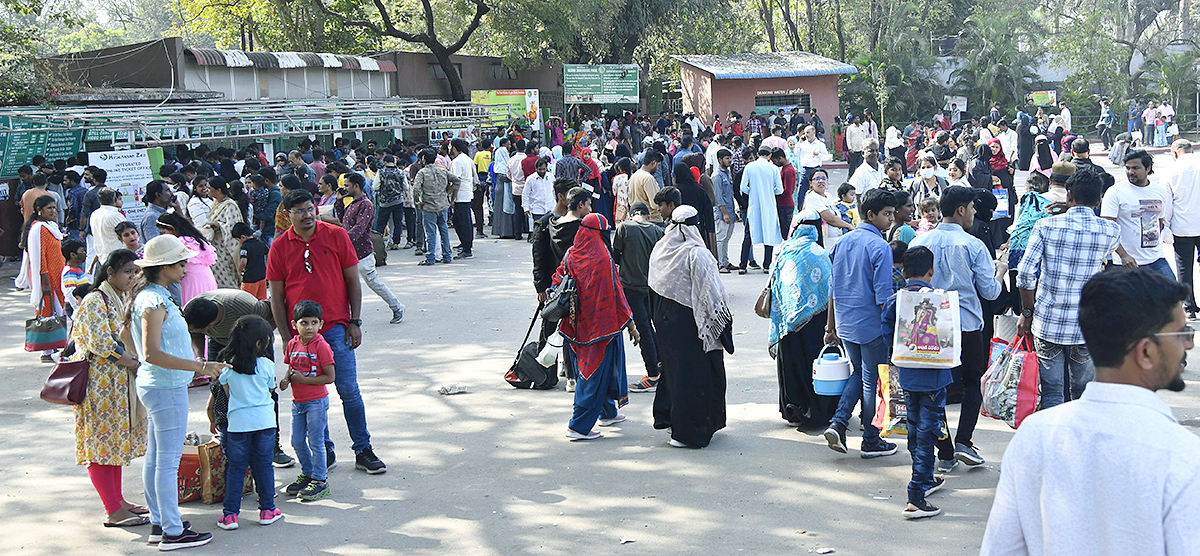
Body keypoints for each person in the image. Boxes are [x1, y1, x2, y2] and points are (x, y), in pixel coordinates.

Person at [980, 268, 1200, 555]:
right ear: (1145, 352)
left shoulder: (1036, 436)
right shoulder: (1181, 455)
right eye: (1182, 333)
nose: (1190, 343)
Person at [268, 188, 387, 474]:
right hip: (300, 338)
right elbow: (276, 295)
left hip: (336, 328)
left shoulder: (336, 235)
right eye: (299, 211)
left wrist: (354, 321)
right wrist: (287, 337)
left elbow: (352, 281)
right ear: (287, 214)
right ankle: (325, 450)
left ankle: (363, 449)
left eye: (310, 209)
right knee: (311, 397)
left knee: (348, 390)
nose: (307, 215)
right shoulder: (279, 247)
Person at [128, 235, 227, 549]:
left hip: (158, 384)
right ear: (164, 266)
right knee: (166, 462)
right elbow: (151, 352)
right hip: (164, 387)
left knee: (158, 458)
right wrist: (199, 367)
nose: (186, 267)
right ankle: (171, 530)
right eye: (181, 263)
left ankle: (161, 523)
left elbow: (127, 337)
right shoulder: (153, 300)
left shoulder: (148, 295)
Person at [910, 186, 1003, 469]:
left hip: (930, 324)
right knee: (973, 382)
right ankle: (964, 440)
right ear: (961, 210)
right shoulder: (974, 245)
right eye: (973, 207)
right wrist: (1000, 270)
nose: (975, 213)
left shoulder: (920, 243)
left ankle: (945, 451)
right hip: (968, 324)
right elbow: (990, 292)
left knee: (934, 388)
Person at [1016, 169, 1120, 409]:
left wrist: (1027, 312)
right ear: (1098, 200)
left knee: (1052, 393)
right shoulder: (1110, 231)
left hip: (1048, 323)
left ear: (1068, 195)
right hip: (1086, 325)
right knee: (1082, 394)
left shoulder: (1045, 226)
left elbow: (1025, 275)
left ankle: (1055, 443)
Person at [70, 249, 148, 528]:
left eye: (135, 271)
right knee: (101, 446)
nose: (132, 276)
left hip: (117, 385)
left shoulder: (119, 299)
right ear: (110, 272)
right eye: (127, 271)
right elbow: (101, 343)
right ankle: (111, 509)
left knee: (114, 443)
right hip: (99, 386)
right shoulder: (95, 300)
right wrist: (133, 362)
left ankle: (119, 500)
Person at [821, 188, 898, 457]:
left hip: (846, 322)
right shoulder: (880, 247)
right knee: (872, 380)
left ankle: (839, 423)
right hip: (872, 324)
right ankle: (870, 438)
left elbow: (832, 289)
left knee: (860, 374)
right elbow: (883, 297)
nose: (891, 219)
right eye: (887, 214)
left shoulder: (842, 242)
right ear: (871, 214)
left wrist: (830, 327)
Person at [648, 205, 732, 448]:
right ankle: (690, 433)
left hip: (665, 323)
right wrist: (723, 326)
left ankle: (673, 422)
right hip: (692, 325)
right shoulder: (698, 254)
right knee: (696, 377)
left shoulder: (660, 250)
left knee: (674, 374)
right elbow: (713, 295)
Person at [182, 288, 294, 467]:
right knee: (219, 389)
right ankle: (230, 441)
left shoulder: (245, 306)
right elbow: (196, 334)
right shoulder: (193, 310)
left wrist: (257, 339)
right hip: (219, 343)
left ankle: (271, 447)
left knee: (265, 392)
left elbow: (274, 306)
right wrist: (200, 359)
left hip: (253, 343)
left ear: (210, 326)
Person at [555, 213, 639, 440]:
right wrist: (631, 324)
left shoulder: (571, 253)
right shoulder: (603, 257)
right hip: (602, 327)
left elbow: (557, 280)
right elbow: (616, 293)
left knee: (595, 370)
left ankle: (608, 412)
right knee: (593, 375)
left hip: (575, 326)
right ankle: (578, 426)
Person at [882, 246, 951, 519]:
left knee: (913, 428)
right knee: (927, 433)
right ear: (931, 271)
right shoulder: (940, 300)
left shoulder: (894, 300)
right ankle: (916, 496)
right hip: (935, 377)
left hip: (907, 375)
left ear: (903, 271)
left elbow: (886, 334)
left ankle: (924, 479)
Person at [212, 315, 282, 531]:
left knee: (235, 468)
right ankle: (268, 510)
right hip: (265, 423)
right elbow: (271, 390)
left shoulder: (227, 368)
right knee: (264, 466)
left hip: (238, 425)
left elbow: (226, 392)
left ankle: (230, 515)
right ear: (260, 343)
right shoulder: (267, 365)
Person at [768, 215, 835, 427]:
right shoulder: (820, 253)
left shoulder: (781, 250)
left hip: (787, 321)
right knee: (813, 364)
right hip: (815, 322)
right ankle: (817, 410)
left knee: (792, 364)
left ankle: (793, 410)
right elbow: (830, 289)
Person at [278, 300, 335, 501]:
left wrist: (305, 380)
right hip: (297, 402)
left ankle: (320, 481)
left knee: (316, 442)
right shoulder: (292, 344)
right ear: (294, 325)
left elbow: (330, 376)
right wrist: (286, 380)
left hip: (316, 402)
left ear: (321, 324)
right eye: (304, 322)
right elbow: (290, 368)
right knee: (296, 441)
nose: (309, 327)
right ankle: (308, 473)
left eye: (313, 322)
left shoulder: (322, 346)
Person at [335, 172, 405, 323]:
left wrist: (342, 241)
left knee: (374, 283)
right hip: (349, 252)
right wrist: (339, 201)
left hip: (362, 253)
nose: (344, 188)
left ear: (356, 186)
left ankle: (397, 306)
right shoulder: (353, 203)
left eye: (347, 185)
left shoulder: (365, 204)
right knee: (341, 285)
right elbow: (343, 221)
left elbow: (359, 229)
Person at [614, 202, 666, 393]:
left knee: (643, 330)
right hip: (653, 287)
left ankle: (653, 374)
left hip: (631, 287)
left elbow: (616, 257)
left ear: (631, 214)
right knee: (652, 328)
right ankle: (660, 365)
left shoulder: (624, 228)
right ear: (647, 216)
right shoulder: (658, 231)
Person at [1102, 149, 1174, 278]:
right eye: (1128, 168)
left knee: (1174, 293)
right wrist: (1123, 255)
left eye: (1136, 168)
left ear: (1148, 168)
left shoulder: (1159, 191)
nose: (1131, 172)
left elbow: (1159, 221)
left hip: (1155, 258)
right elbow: (1107, 228)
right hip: (1126, 262)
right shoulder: (1115, 192)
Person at [24, 195, 66, 363]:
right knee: (48, 312)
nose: (53, 211)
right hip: (47, 278)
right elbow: (39, 257)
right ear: (39, 211)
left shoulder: (51, 227)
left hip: (58, 276)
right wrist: (44, 282)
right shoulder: (39, 229)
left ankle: (56, 346)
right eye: (49, 208)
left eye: (54, 208)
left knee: (58, 311)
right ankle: (46, 352)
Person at [1167, 139, 1200, 318]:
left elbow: (1167, 202)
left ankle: (1189, 307)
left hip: (1182, 226)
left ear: (1175, 153)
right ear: (1191, 150)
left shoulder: (1172, 169)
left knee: (1184, 267)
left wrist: (1165, 225)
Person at [155, 212, 217, 306]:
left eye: (164, 232)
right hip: (206, 279)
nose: (164, 235)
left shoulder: (180, 242)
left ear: (172, 229)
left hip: (190, 282)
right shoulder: (195, 239)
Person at [414, 149, 460, 265]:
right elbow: (457, 181)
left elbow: (416, 189)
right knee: (444, 231)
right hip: (443, 205)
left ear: (424, 160)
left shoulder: (422, 173)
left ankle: (430, 258)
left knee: (431, 233)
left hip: (429, 206)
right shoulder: (442, 171)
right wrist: (448, 193)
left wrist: (418, 201)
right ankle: (447, 256)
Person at [741, 146, 784, 273]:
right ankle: (767, 265)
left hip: (754, 205)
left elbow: (743, 187)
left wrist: (753, 192)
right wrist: (770, 191)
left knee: (749, 234)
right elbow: (779, 190)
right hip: (769, 205)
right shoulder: (774, 169)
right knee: (769, 234)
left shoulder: (749, 167)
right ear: (770, 155)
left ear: (758, 154)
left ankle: (743, 265)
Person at [202, 177, 246, 289]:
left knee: (229, 276)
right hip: (216, 246)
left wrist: (217, 224)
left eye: (209, 188)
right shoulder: (216, 203)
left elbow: (233, 226)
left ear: (218, 190)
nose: (207, 190)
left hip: (226, 248)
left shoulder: (230, 205)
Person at [803, 168, 853, 243]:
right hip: (821, 240)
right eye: (817, 179)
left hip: (835, 237)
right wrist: (849, 226)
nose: (821, 181)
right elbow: (830, 219)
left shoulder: (828, 196)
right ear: (810, 183)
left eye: (824, 178)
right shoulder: (811, 197)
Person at [449, 139, 477, 258]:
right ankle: (465, 243)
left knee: (463, 221)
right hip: (467, 192)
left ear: (454, 148)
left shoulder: (457, 162)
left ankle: (467, 248)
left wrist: (452, 199)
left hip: (461, 194)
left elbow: (456, 181)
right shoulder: (468, 159)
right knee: (460, 220)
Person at [373, 155, 407, 250]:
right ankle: (396, 242)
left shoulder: (380, 172)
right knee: (398, 222)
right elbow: (406, 187)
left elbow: (375, 187)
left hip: (385, 202)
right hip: (398, 201)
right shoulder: (400, 172)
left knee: (381, 223)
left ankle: (378, 243)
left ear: (385, 162)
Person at [230, 223, 268, 300]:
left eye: (238, 240)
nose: (239, 242)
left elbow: (243, 262)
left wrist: (239, 271)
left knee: (247, 301)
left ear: (243, 237)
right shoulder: (261, 243)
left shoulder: (244, 247)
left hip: (249, 279)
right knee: (261, 300)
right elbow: (269, 255)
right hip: (262, 277)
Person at [627, 150, 664, 222]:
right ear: (653, 163)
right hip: (652, 220)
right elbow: (654, 204)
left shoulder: (633, 176)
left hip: (637, 219)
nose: (658, 168)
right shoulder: (648, 178)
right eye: (658, 165)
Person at [60, 238, 89, 315]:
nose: (84, 253)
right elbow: (70, 292)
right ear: (73, 255)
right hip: (74, 305)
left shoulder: (76, 270)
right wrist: (77, 309)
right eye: (82, 251)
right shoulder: (71, 271)